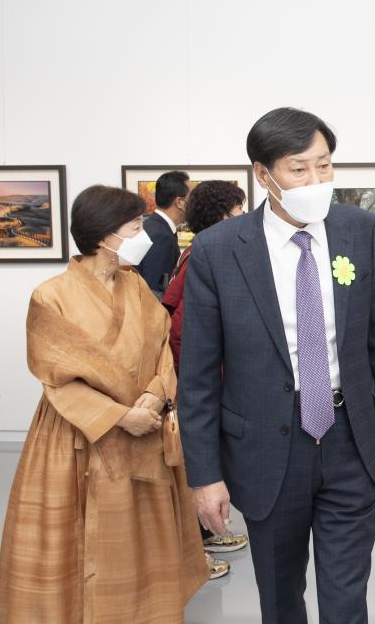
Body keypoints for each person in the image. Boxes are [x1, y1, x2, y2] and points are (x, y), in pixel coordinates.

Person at [179, 107, 375, 624]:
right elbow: (196, 375)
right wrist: (204, 476)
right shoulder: (218, 251)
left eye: (324, 165)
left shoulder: (360, 231)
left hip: (350, 435)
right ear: (263, 175)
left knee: (346, 597)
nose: (315, 179)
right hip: (264, 446)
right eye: (298, 169)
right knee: (280, 600)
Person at [0, 185, 207, 623]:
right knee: (73, 540)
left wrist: (154, 395)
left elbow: (164, 348)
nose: (141, 234)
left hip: (145, 428)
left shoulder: (136, 287)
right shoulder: (50, 295)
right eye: (134, 227)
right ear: (106, 235)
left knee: (142, 537)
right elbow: (54, 372)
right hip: (78, 433)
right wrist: (119, 415)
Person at [161, 180, 249, 580]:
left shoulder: (200, 251)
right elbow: (185, 328)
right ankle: (195, 553)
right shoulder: (204, 254)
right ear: (220, 216)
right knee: (199, 465)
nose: (243, 217)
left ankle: (207, 534)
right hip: (199, 377)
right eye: (237, 211)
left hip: (204, 374)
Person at [136, 170, 190, 298]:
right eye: (191, 197)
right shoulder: (160, 236)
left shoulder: (155, 227)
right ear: (180, 202)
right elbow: (155, 293)